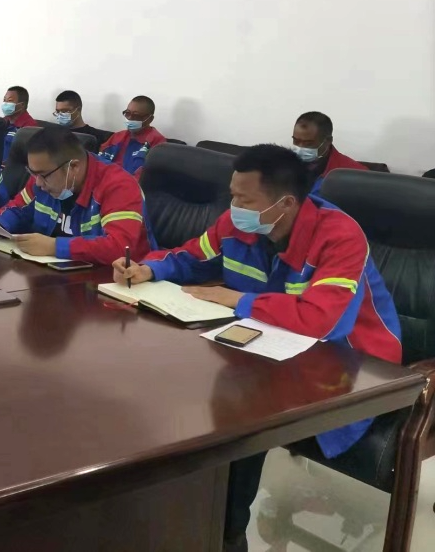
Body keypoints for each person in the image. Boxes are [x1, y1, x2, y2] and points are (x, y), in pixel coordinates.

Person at [112, 144, 401, 552]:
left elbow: (322, 321)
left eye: (244, 200)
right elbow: (192, 257)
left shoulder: (339, 236)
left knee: (237, 423)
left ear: (285, 203)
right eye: (232, 195)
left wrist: (237, 300)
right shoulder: (239, 222)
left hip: (351, 364)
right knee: (177, 392)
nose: (234, 207)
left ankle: (225, 537)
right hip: (268, 345)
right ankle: (169, 520)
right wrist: (149, 268)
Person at [0, 125, 150, 261]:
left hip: (116, 284)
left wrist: (54, 246)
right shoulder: (43, 176)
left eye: (43, 175)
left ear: (73, 167)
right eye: (33, 174)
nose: (38, 183)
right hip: (57, 274)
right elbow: (18, 209)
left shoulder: (119, 186)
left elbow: (119, 247)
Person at [292, 111, 367, 195]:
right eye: (296, 141)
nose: (300, 148)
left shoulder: (354, 174)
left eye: (308, 143)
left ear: (328, 141)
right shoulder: (284, 164)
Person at [98, 95, 166, 178]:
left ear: (150, 119)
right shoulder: (117, 137)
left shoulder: (157, 143)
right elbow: (98, 162)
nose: (130, 118)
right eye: (127, 113)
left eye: (136, 115)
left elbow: (149, 177)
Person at [1, 85, 36, 165]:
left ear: (22, 105)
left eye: (10, 101)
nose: (5, 104)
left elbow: (25, 158)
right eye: (4, 100)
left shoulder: (29, 127)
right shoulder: (3, 121)